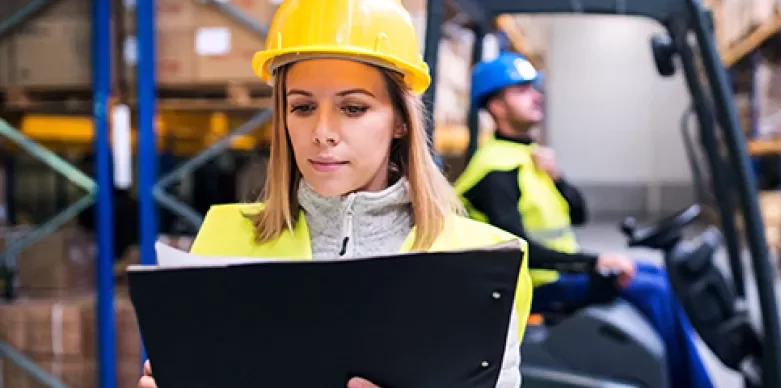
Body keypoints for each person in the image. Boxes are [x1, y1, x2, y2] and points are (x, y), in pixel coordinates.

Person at [137, 1, 532, 387]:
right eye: (303, 107)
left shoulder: (476, 261)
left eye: (353, 108)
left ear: (400, 120)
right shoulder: (222, 243)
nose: (322, 132)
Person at [454, 52, 714, 388]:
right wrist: (594, 262)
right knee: (653, 291)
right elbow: (519, 250)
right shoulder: (496, 170)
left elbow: (579, 214)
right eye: (520, 90)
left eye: (533, 87)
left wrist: (558, 178)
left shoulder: (528, 156)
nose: (536, 95)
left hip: (555, 274)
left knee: (657, 274)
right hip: (534, 288)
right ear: (496, 107)